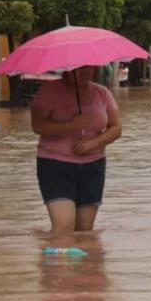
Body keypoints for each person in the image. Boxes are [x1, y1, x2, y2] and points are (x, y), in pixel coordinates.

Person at [31, 65, 122, 233]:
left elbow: (116, 128)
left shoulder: (102, 93)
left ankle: (83, 260)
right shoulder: (49, 91)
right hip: (55, 164)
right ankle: (55, 257)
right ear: (67, 68)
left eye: (89, 67)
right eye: (80, 68)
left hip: (93, 166)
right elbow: (37, 125)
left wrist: (93, 143)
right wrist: (70, 125)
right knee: (63, 227)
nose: (85, 71)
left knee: (85, 231)